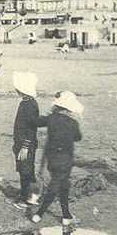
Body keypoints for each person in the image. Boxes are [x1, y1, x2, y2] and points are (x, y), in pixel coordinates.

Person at [31, 91, 84, 226]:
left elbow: (35, 122)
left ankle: (66, 215)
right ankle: (39, 213)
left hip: (51, 157)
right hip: (66, 158)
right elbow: (78, 137)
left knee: (63, 184)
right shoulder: (73, 122)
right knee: (57, 185)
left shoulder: (51, 118)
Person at [12, 71, 41, 206]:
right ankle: (27, 194)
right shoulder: (26, 102)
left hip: (26, 144)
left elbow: (31, 128)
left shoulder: (30, 105)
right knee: (24, 168)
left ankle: (28, 198)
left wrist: (25, 146)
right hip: (21, 142)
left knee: (26, 169)